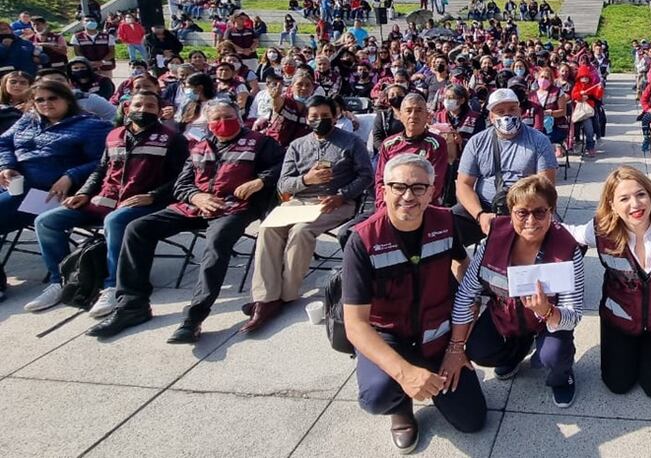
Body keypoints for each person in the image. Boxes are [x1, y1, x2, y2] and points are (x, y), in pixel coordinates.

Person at [87, 100, 284, 344]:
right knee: (137, 229)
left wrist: (259, 181)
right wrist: (197, 196)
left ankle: (194, 318)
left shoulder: (260, 143)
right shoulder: (199, 147)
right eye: (216, 118)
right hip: (193, 206)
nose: (223, 123)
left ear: (240, 117)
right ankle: (131, 304)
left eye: (228, 116)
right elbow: (181, 184)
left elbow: (282, 167)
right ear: (208, 123)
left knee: (216, 245)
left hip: (233, 208)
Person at [343, 154, 485, 452]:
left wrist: (457, 346)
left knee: (473, 421)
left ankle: (428, 374)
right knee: (377, 395)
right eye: (399, 187)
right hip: (389, 335)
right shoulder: (363, 240)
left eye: (418, 188)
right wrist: (404, 373)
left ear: (432, 191)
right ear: (384, 190)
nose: (408, 196)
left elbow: (462, 263)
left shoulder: (445, 221)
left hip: (437, 333)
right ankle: (401, 409)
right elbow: (355, 325)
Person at [27, 92, 187, 316]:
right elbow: (100, 170)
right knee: (46, 221)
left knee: (115, 221)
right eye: (138, 104)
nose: (143, 109)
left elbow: (182, 177)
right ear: (127, 108)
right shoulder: (114, 135)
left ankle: (113, 286)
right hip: (105, 198)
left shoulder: (172, 138)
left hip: (143, 202)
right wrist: (83, 192)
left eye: (150, 106)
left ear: (159, 111)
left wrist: (153, 195)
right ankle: (61, 280)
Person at [447, 174, 583, 408]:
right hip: (506, 316)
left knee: (552, 355)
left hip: (547, 321)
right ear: (511, 213)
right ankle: (516, 353)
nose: (531, 220)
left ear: (552, 211)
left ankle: (562, 377)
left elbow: (574, 314)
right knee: (478, 350)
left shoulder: (569, 250)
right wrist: (455, 347)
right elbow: (466, 293)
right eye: (522, 213)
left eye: (540, 212)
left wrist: (548, 311)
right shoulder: (491, 241)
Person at [244, 96, 372, 333]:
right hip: (300, 200)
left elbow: (366, 176)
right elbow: (283, 184)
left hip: (335, 201)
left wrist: (342, 195)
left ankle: (286, 295)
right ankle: (265, 298)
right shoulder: (297, 145)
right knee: (268, 229)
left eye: (325, 116)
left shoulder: (352, 143)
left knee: (301, 231)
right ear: (307, 119)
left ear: (335, 117)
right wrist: (306, 179)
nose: (319, 121)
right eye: (314, 117)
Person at [568, 167, 651, 399]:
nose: (635, 205)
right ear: (612, 204)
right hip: (621, 318)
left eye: (641, 194)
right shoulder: (600, 229)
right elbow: (569, 234)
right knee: (617, 385)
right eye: (624, 198)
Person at [0, 80, 111, 228]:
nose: (46, 103)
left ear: (68, 100)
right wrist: (7, 165)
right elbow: (3, 142)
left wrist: (71, 176)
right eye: (40, 100)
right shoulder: (28, 121)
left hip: (49, 193)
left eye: (53, 98)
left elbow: (104, 162)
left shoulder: (92, 126)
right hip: (13, 183)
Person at [454, 88, 557, 244]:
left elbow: (545, 186)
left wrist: (522, 213)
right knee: (446, 229)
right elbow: (464, 184)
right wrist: (480, 215)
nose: (507, 115)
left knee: (561, 239)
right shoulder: (477, 142)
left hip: (527, 207)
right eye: (500, 111)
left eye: (512, 109)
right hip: (485, 207)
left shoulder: (539, 141)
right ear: (491, 116)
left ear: (520, 111)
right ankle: (464, 266)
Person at [375, 93, 449, 207]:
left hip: (423, 207)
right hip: (391, 206)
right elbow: (381, 180)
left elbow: (435, 184)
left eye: (419, 111)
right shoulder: (388, 144)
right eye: (408, 111)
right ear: (400, 115)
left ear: (427, 116)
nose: (413, 115)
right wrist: (383, 205)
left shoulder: (436, 144)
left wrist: (409, 204)